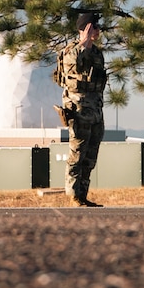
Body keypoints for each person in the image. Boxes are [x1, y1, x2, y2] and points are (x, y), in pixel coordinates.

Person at [55, 12, 108, 207]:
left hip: (95, 111)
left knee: (90, 157)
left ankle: (83, 194)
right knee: (77, 153)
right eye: (94, 26)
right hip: (78, 110)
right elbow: (72, 68)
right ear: (85, 28)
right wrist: (83, 44)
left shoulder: (97, 54)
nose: (97, 30)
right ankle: (73, 195)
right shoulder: (71, 52)